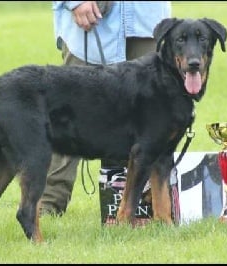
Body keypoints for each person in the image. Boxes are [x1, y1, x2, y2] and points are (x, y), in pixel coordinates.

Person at [40, 1, 172, 216]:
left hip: (146, 22)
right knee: (66, 117)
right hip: (85, 20)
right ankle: (49, 204)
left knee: (154, 126)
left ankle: (151, 208)